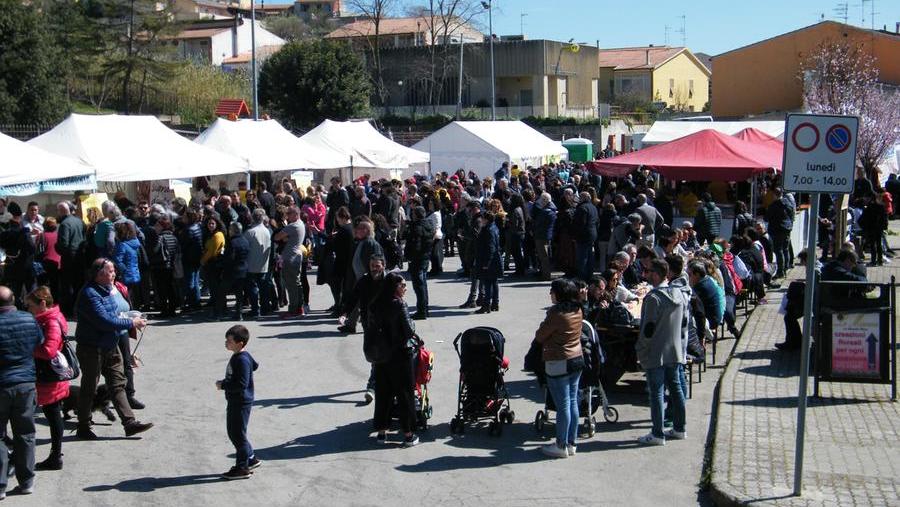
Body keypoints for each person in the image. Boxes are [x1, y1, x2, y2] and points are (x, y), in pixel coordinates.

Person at [75, 258, 153, 440]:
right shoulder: (90, 294)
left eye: (113, 271)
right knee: (89, 387)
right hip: (92, 348)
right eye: (110, 271)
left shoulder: (108, 290)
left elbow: (115, 314)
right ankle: (83, 426)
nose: (114, 274)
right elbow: (104, 321)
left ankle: (130, 423)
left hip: (110, 344)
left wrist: (130, 317)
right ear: (99, 274)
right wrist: (131, 322)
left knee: (118, 384)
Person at [636, 259, 688, 446]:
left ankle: (657, 433)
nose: (645, 274)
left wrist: (641, 350)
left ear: (656, 274)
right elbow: (684, 324)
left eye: (648, 271)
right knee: (676, 389)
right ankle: (680, 428)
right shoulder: (679, 294)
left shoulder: (653, 298)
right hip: (675, 351)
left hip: (656, 353)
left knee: (657, 392)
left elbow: (647, 330)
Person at [533, 278, 585, 458]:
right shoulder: (578, 309)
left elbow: (540, 335)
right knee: (572, 402)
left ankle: (561, 444)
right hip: (577, 358)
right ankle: (571, 442)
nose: (550, 294)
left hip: (559, 361)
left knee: (563, 405)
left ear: (559, 294)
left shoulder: (556, 314)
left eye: (552, 291)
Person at [367, 273, 419, 447]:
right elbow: (409, 330)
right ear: (395, 287)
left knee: (383, 393)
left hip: (381, 356)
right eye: (403, 285)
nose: (405, 288)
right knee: (404, 394)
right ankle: (409, 434)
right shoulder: (399, 304)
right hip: (400, 355)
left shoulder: (375, 304)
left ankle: (382, 432)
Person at [0, 285, 42, 497]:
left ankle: (0, 485)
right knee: (25, 433)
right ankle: (26, 482)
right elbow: (39, 341)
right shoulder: (28, 319)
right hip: (25, 383)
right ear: (13, 299)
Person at [24, 287, 69, 471]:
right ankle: (55, 454)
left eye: (30, 305)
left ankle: (55, 455)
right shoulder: (48, 318)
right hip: (50, 375)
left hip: (49, 376)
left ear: (42, 304)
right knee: (53, 413)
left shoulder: (50, 322)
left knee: (53, 413)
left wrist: (26, 349)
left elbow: (49, 350)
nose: (28, 309)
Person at [339, 255, 387, 403]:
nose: (374, 268)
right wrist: (345, 314)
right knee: (373, 356)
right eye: (372, 265)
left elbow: (399, 298)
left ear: (383, 266)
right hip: (369, 324)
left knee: (379, 358)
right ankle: (379, 383)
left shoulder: (390, 281)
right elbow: (353, 298)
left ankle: (371, 387)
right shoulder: (364, 281)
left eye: (377, 266)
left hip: (387, 325)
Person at [216, 325, 261, 480]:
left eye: (229, 340)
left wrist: (224, 385)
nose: (226, 343)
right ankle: (250, 458)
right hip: (239, 400)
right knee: (237, 432)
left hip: (240, 402)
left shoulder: (241, 359)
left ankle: (242, 468)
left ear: (240, 343)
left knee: (236, 435)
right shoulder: (243, 356)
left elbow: (241, 384)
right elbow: (255, 365)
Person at [273, 206, 306, 318]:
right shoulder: (300, 223)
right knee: (297, 284)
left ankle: (293, 310)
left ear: (296, 214)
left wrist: (284, 236)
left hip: (290, 258)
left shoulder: (293, 226)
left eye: (289, 214)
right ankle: (299, 307)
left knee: (291, 285)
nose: (287, 216)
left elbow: (277, 237)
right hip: (297, 255)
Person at [0, 203, 36, 305]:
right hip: (26, 266)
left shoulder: (5, 233)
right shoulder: (24, 232)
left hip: (12, 266)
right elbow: (32, 248)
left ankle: (17, 310)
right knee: (31, 290)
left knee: (15, 292)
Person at [55, 201, 86, 317]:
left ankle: (68, 310)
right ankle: (79, 308)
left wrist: (56, 247)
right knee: (79, 283)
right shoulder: (80, 221)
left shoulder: (64, 224)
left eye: (58, 211)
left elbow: (63, 244)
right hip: (80, 256)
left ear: (62, 211)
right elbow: (84, 238)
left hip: (69, 258)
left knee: (68, 285)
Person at [404, 206, 434, 320]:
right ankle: (424, 309)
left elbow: (416, 245)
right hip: (425, 257)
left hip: (417, 259)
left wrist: (409, 257)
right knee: (423, 285)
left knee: (419, 286)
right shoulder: (428, 225)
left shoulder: (417, 227)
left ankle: (422, 310)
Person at [244, 209, 274, 318]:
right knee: (263, 287)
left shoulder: (250, 232)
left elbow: (245, 247)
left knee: (253, 288)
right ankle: (265, 308)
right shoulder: (267, 231)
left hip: (251, 264)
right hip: (264, 264)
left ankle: (255, 309)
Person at [474, 212, 502, 314]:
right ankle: (495, 303)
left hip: (489, 260)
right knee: (494, 282)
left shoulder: (488, 230)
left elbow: (490, 248)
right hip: (494, 260)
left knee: (488, 283)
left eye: (482, 218)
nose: (481, 220)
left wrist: (486, 263)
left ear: (486, 219)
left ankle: (486, 305)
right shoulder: (494, 228)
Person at [764, 187, 795, 279]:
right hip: (787, 228)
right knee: (785, 248)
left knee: (778, 250)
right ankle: (786, 268)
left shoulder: (774, 205)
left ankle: (780, 271)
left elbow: (767, 218)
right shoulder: (788, 203)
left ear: (775, 195)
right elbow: (791, 214)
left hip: (777, 229)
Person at [201, 216, 227, 320]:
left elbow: (212, 251)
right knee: (214, 289)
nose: (210, 225)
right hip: (211, 264)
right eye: (209, 224)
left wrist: (202, 261)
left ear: (217, 224)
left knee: (216, 289)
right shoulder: (210, 235)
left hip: (215, 265)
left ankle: (219, 311)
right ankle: (219, 309)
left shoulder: (217, 235)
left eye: (212, 223)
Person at [225, 222, 250, 321]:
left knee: (221, 291)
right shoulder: (245, 240)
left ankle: (218, 312)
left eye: (230, 229)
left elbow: (230, 258)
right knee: (239, 293)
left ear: (233, 231)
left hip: (234, 270)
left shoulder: (232, 242)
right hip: (243, 269)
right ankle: (238, 313)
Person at [573, 192, 599, 281]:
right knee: (590, 255)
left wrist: (575, 235)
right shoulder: (593, 207)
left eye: (580, 197)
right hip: (592, 233)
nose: (579, 198)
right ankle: (589, 274)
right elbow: (597, 221)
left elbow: (580, 224)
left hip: (583, 235)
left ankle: (582, 276)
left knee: (582, 256)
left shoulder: (582, 208)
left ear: (583, 198)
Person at [531, 193, 557, 281]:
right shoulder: (552, 209)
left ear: (545, 200)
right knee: (545, 256)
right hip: (547, 235)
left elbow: (538, 224)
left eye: (541, 200)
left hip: (542, 236)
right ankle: (545, 274)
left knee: (544, 257)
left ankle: (546, 275)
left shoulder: (545, 212)